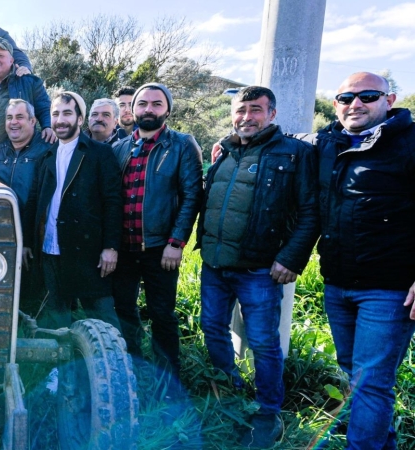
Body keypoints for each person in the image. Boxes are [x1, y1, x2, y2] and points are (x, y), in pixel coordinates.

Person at [197, 86, 319, 448]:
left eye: (255, 110)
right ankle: (231, 394)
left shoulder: (295, 154)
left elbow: (311, 212)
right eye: (240, 110)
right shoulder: (226, 152)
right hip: (215, 265)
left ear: (272, 114)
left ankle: (268, 412)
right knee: (212, 328)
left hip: (261, 271)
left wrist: (292, 258)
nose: (246, 117)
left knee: (264, 343)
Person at [303, 72, 415, 449]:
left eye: (367, 96)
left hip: (389, 289)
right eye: (345, 97)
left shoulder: (409, 143)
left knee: (370, 383)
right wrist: (229, 140)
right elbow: (287, 141)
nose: (355, 104)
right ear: (335, 105)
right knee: (357, 377)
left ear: (390, 100)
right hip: (337, 283)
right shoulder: (328, 144)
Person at [111, 83, 203, 384]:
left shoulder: (181, 145)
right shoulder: (121, 147)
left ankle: (168, 381)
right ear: (132, 109)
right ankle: (134, 371)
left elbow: (191, 196)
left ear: (167, 109)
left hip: (160, 247)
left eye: (156, 104)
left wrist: (176, 243)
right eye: (142, 104)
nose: (148, 109)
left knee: (161, 313)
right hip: (124, 248)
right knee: (124, 309)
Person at [23, 92, 122, 331]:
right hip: (50, 250)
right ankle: (62, 369)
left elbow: (113, 202)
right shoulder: (45, 155)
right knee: (57, 320)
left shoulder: (100, 153)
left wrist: (111, 247)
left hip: (87, 252)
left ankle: (116, 367)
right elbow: (34, 201)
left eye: (67, 113)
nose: (60, 120)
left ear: (80, 119)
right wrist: (27, 242)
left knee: (103, 321)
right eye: (55, 114)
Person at [0, 99, 51, 315]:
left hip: (33, 237)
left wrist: (27, 241)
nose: (14, 123)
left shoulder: (46, 150)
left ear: (32, 120)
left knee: (29, 296)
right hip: (0, 235)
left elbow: (39, 201)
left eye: (20, 117)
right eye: (9, 117)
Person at [0, 37, 53, 165]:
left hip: (13, 161)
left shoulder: (28, 82)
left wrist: (48, 126)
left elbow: (44, 107)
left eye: (0, 55)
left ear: (11, 60)